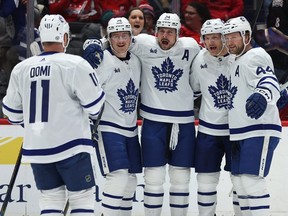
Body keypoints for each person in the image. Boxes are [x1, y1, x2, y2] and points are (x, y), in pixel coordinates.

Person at [83, 12, 201, 216]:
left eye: (170, 32)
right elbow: (116, 38)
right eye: (162, 31)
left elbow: (212, 54)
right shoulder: (143, 45)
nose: (165, 36)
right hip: (149, 122)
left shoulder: (190, 47)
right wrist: (92, 43)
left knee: (178, 179)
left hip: (179, 123)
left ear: (178, 33)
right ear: (155, 32)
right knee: (152, 179)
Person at [2, 14, 105, 215]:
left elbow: (12, 112)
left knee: (50, 199)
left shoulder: (21, 69)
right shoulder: (75, 64)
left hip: (38, 148)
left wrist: (35, 126)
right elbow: (95, 106)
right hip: (72, 146)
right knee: (82, 198)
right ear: (65, 38)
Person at [222, 16, 281, 216]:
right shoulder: (233, 60)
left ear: (246, 36)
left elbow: (269, 81)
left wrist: (263, 95)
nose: (229, 42)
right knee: (238, 181)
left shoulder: (255, 55)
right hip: (240, 131)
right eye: (227, 37)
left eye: (234, 37)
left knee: (251, 181)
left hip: (259, 129)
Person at [85, 17, 142, 216]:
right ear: (108, 38)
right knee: (117, 177)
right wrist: (92, 44)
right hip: (108, 128)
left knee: (131, 180)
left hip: (131, 130)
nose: (120, 40)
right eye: (115, 36)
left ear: (130, 37)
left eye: (124, 35)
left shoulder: (136, 59)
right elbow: (85, 91)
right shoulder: (101, 60)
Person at [190, 18, 235, 216]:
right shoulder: (199, 60)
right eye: (208, 38)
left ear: (225, 37)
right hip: (208, 130)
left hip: (236, 130)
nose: (211, 42)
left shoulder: (239, 58)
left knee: (242, 181)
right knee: (205, 181)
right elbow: (194, 90)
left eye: (216, 37)